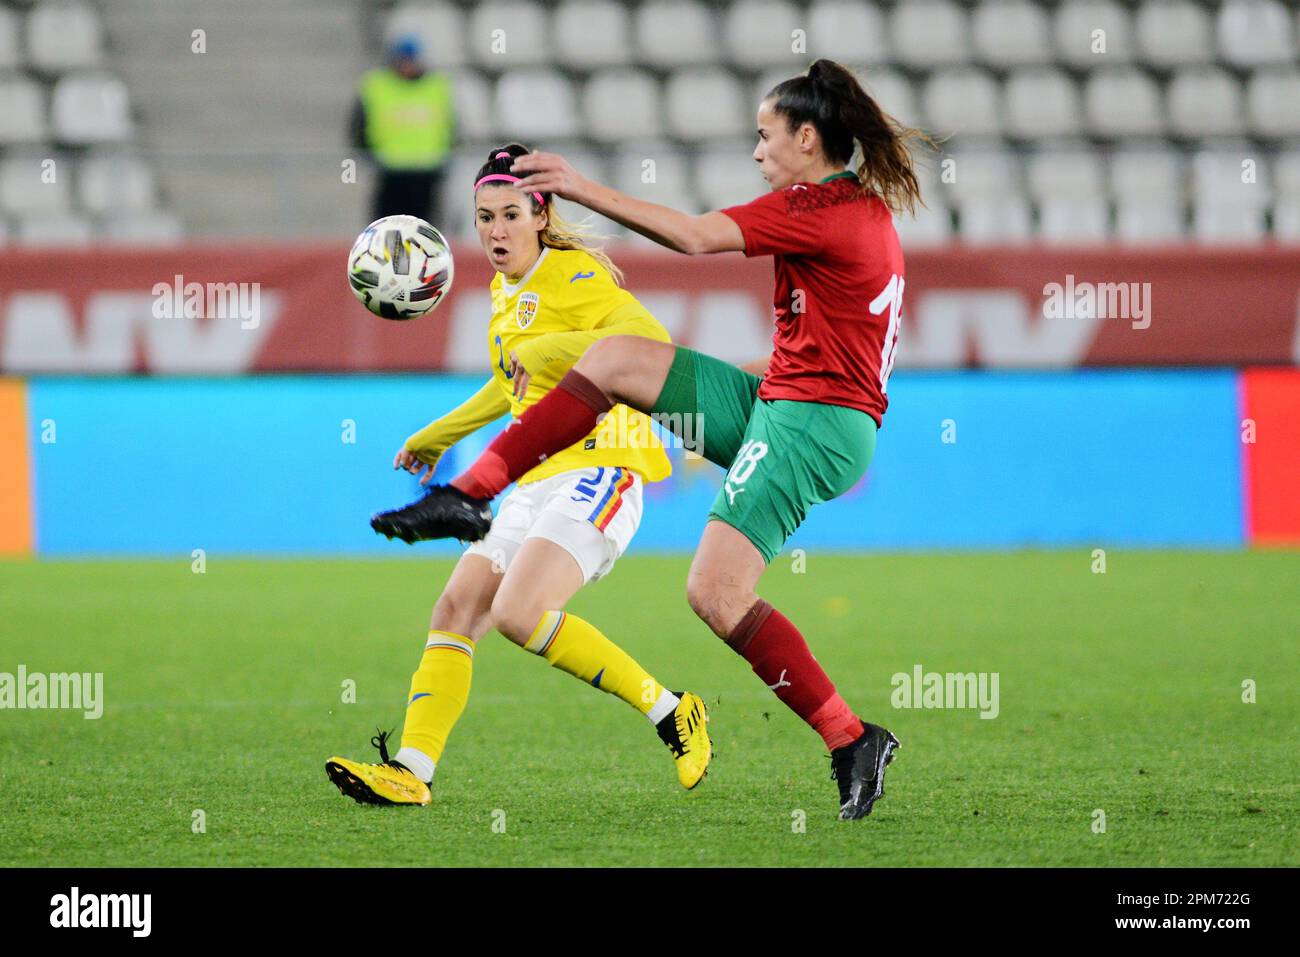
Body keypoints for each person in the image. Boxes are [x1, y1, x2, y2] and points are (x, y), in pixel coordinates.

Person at [379, 60, 928, 820]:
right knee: (613, 363)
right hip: (779, 401)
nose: (758, 151)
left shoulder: (820, 208)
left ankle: (849, 737)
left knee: (714, 590)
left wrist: (574, 185)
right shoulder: (848, 210)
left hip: (815, 427)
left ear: (808, 139)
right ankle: (468, 495)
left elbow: (695, 238)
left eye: (766, 137)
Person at [326, 144, 712, 806]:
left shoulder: (578, 276)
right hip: (536, 479)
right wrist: (439, 433)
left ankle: (673, 710)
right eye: (483, 217)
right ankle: (412, 771)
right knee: (455, 608)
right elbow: (512, 383)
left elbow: (649, 345)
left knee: (519, 612)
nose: (496, 231)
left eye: (510, 214)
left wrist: (545, 348)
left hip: (602, 465)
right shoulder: (506, 293)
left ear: (541, 214)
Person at [350, 34, 456, 225]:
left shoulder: (437, 86)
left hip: (427, 172)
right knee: (387, 230)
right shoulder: (376, 85)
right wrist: (371, 156)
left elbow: (452, 126)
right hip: (389, 172)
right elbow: (357, 129)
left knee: (424, 231)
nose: (407, 65)